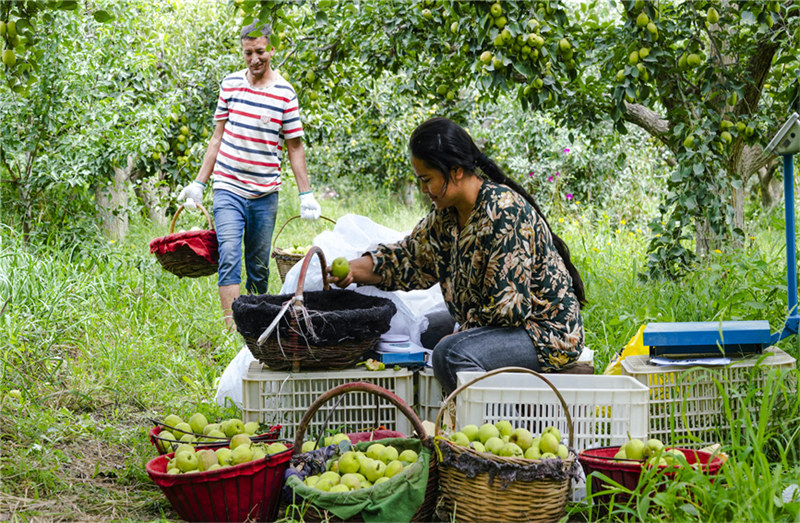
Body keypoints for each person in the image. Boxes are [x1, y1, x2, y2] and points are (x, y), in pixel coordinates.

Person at [328, 117, 586, 393]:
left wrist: (460, 334)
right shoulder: (447, 215)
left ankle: (491, 422)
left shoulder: (504, 213)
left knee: (449, 353)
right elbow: (411, 258)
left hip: (543, 334)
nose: (425, 190)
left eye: (428, 180)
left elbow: (508, 311)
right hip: (501, 324)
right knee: (425, 328)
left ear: (456, 171)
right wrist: (355, 270)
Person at [178, 22, 321, 328]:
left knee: (258, 266)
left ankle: (256, 325)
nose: (254, 59)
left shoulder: (285, 94)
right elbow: (217, 137)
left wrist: (305, 193)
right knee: (229, 254)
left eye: (260, 52)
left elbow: (295, 147)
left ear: (272, 48)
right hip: (228, 187)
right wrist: (199, 183)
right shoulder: (230, 85)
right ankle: (232, 328)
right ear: (241, 51)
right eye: (248, 53)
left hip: (265, 194)